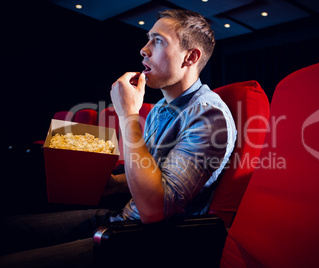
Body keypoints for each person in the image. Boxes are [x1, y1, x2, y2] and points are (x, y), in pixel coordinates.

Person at [0, 9, 236, 267]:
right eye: (148, 39)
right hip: (121, 217)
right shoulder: (159, 109)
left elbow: (155, 210)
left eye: (158, 41)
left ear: (190, 57)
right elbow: (155, 171)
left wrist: (128, 116)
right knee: (10, 227)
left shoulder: (209, 115)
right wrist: (112, 183)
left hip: (149, 239)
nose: (143, 50)